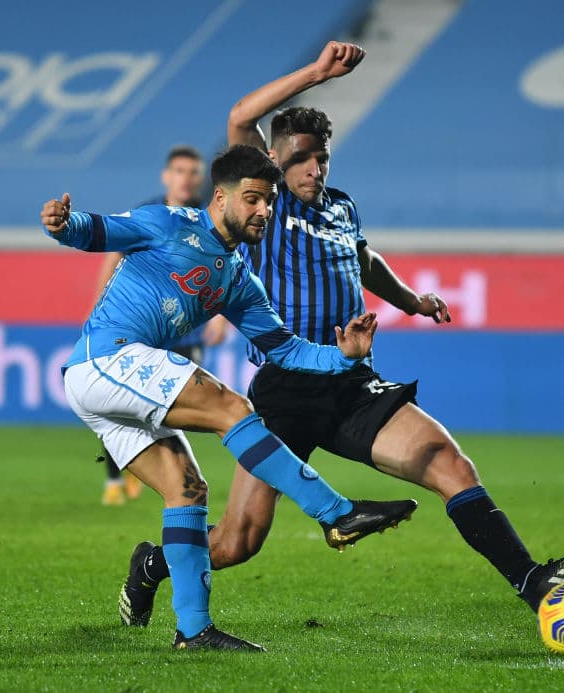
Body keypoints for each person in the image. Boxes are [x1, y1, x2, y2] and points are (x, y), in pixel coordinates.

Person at [117, 42, 564, 629]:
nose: (313, 168)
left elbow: (364, 260)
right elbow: (240, 117)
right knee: (237, 541)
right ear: (274, 161)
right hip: (286, 390)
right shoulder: (267, 208)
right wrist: (317, 74)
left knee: (447, 462)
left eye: (320, 157)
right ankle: (154, 565)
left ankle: (535, 586)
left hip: (353, 382)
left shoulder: (340, 207)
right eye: (300, 158)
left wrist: (412, 301)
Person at [40, 144, 417, 652]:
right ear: (221, 197)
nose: (265, 211)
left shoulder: (238, 278)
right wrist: (64, 224)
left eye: (270, 202)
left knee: (188, 490)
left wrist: (344, 355)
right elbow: (96, 230)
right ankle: (336, 513)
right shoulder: (169, 223)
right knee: (233, 408)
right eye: (254, 200)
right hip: (106, 359)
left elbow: (284, 348)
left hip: (109, 384)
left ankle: (193, 632)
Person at [95, 146, 228, 506]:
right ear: (166, 176)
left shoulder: (208, 218)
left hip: (188, 328)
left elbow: (223, 268)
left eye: (193, 172)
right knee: (121, 402)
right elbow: (114, 253)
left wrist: (221, 316)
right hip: (144, 327)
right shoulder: (149, 214)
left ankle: (161, 473)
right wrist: (101, 305)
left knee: (171, 402)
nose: (186, 178)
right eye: (180, 171)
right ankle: (113, 478)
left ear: (200, 179)